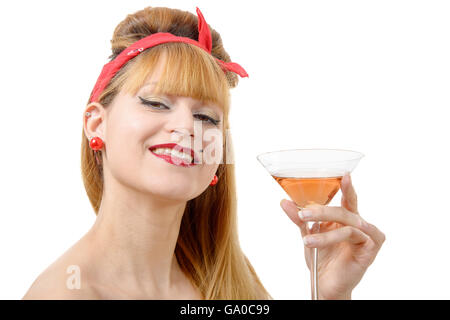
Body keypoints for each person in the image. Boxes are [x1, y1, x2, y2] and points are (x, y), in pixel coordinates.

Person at [22, 6, 384, 300]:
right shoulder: (64, 294)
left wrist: (332, 295)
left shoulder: (231, 287)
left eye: (206, 117)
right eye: (156, 102)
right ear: (96, 124)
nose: (186, 127)